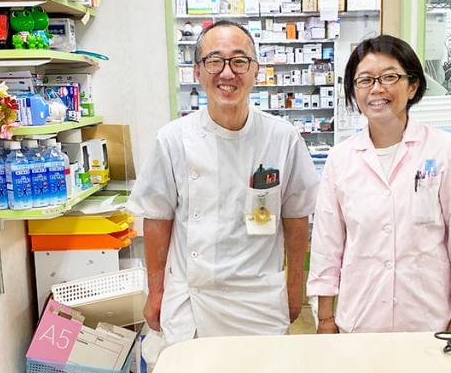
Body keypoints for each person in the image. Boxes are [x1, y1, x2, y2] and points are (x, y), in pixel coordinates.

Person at [128, 21, 319, 344]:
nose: (227, 73)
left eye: (239, 61)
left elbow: (296, 216)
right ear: (197, 72)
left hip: (260, 301)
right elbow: (158, 218)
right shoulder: (173, 139)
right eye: (214, 61)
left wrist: (294, 286)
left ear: (256, 70)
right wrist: (156, 291)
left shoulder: (282, 137)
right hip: (194, 300)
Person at [306, 35, 451, 334]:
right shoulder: (341, 158)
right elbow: (327, 244)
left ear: (412, 86)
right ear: (353, 91)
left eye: (389, 77)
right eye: (365, 80)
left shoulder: (444, 150)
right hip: (359, 321)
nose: (377, 89)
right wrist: (324, 318)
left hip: (430, 323)